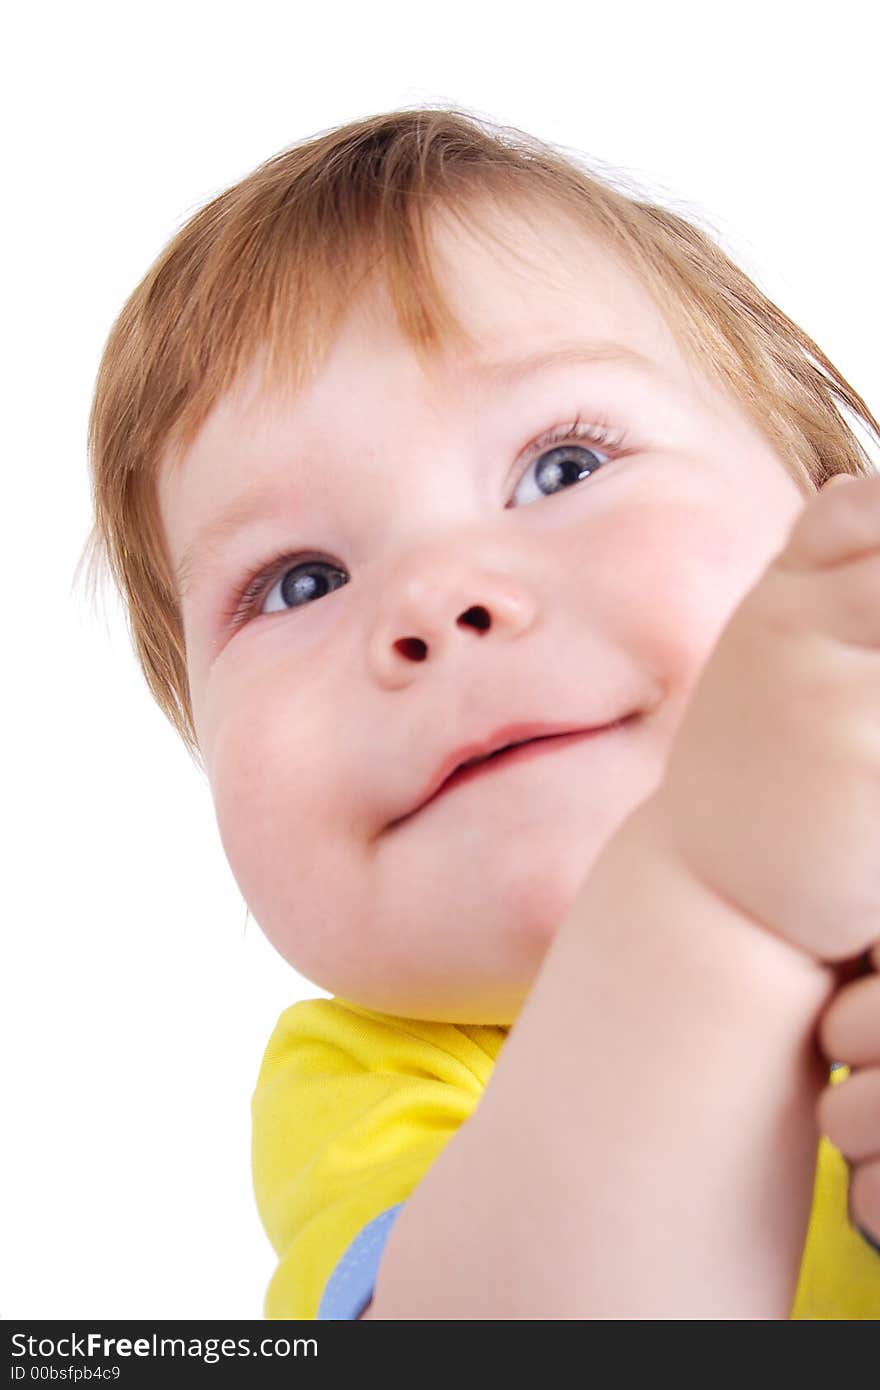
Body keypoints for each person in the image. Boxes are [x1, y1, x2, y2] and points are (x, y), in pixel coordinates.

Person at [79, 105, 880, 1319]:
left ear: (831, 510)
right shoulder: (374, 1086)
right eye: (299, 581)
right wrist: (718, 892)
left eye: (563, 466)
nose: (432, 598)